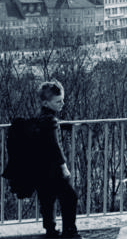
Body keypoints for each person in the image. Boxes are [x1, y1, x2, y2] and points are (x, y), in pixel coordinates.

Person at [35, 80, 80, 238]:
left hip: (41, 168)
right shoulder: (51, 120)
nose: (63, 103)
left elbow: (50, 130)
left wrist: (65, 125)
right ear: (47, 102)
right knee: (70, 197)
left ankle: (51, 231)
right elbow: (55, 145)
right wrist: (64, 167)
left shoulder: (42, 116)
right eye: (58, 101)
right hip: (53, 168)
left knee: (47, 199)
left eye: (62, 100)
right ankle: (70, 232)